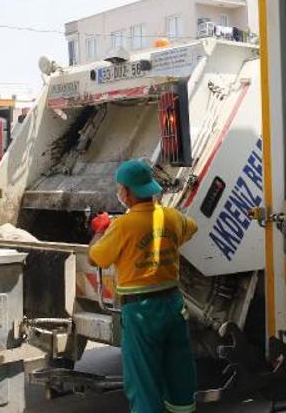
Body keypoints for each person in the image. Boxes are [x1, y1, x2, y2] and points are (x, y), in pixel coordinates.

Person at [88, 159, 199, 413]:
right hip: (173, 306)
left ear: (126, 192)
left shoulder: (122, 226)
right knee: (179, 377)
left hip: (141, 314)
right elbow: (191, 228)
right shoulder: (171, 217)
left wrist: (100, 230)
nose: (119, 192)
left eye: (120, 188)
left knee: (144, 382)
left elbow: (96, 257)